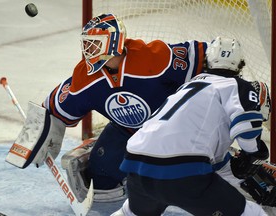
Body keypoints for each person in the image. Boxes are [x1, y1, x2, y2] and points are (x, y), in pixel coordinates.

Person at [43, 13, 208, 202]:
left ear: (113, 42)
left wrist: (222, 58)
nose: (88, 49)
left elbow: (203, 57)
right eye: (86, 43)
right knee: (100, 177)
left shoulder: (153, 57)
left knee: (197, 181)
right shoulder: (85, 76)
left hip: (174, 131)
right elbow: (54, 109)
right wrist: (41, 132)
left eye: (95, 42)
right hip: (128, 131)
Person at [111, 37, 269, 215]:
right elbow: (247, 133)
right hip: (181, 172)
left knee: (130, 213)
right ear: (240, 65)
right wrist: (255, 154)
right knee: (252, 213)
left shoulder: (186, 87)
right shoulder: (239, 86)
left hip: (137, 166)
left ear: (207, 61)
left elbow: (211, 157)